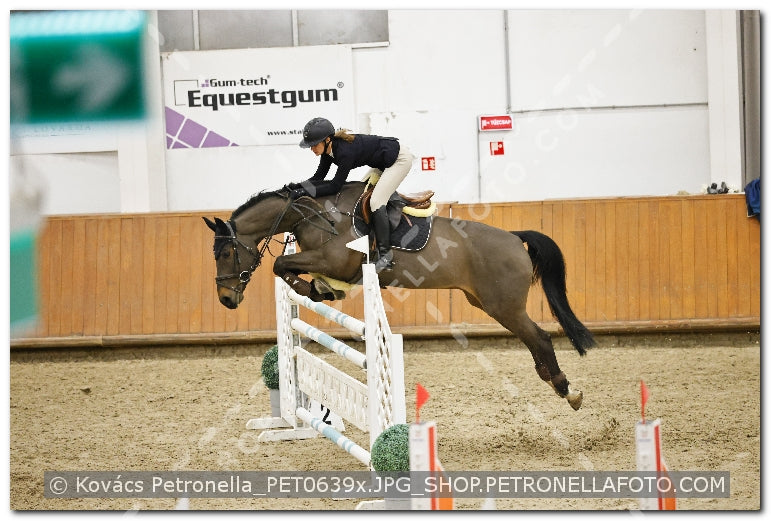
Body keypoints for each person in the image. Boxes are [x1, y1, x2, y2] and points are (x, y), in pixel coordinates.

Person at [291, 117, 415, 273]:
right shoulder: (328, 151)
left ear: (327, 140)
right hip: (383, 162)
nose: (312, 149)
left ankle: (385, 256)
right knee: (359, 196)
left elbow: (335, 186)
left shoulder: (344, 152)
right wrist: (295, 187)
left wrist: (303, 191)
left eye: (314, 145)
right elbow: (318, 178)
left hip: (399, 160)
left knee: (376, 202)